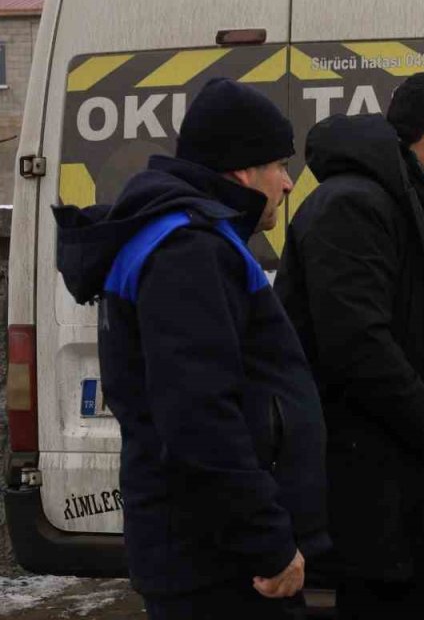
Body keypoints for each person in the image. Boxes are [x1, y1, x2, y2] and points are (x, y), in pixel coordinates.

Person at [53, 78, 328, 620]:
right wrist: (268, 543)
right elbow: (199, 418)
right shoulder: (189, 249)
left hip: (207, 550)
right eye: (279, 165)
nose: (289, 183)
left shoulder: (190, 237)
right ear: (242, 169)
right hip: (218, 562)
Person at [276, 72, 424, 619]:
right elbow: (359, 349)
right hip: (376, 486)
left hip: (402, 483)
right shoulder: (354, 205)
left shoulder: (404, 202)